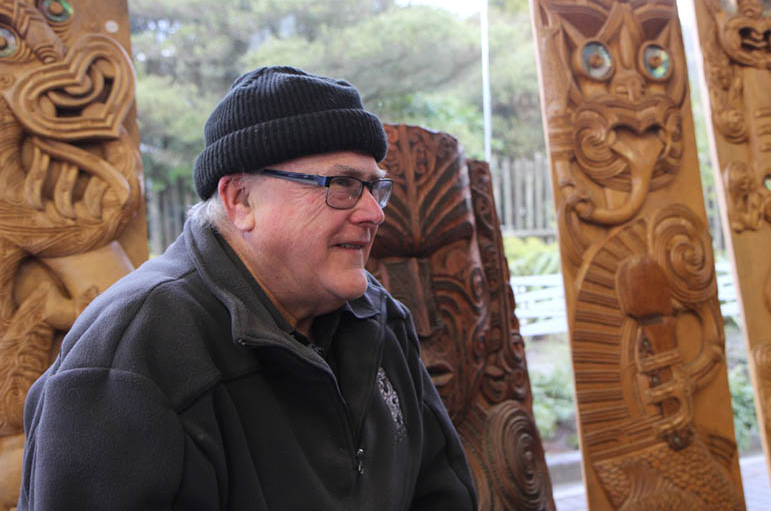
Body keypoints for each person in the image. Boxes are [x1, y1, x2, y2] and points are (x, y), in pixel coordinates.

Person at [18, 66, 478, 510]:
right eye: (342, 185)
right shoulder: (132, 353)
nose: (374, 213)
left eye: (374, 188)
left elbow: (442, 493)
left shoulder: (377, 317)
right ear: (241, 200)